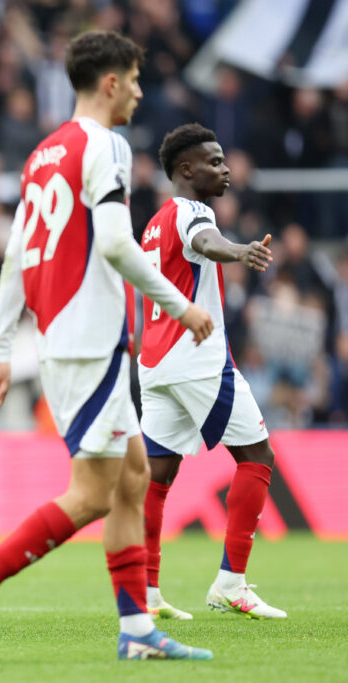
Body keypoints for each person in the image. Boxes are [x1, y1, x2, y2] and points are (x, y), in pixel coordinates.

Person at [0, 31, 216, 663]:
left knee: (133, 476)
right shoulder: (107, 144)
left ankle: (137, 631)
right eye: (135, 80)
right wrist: (179, 302)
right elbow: (115, 244)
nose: (141, 92)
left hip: (68, 337)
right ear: (110, 82)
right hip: (87, 342)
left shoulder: (43, 154)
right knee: (91, 492)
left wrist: (0, 344)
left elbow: (15, 253)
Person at [139, 123, 285, 620]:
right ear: (186, 169)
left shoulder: (155, 222)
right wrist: (241, 251)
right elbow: (207, 240)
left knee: (157, 478)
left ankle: (148, 592)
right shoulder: (192, 211)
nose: (225, 170)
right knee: (257, 455)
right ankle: (231, 582)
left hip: (155, 364)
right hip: (197, 359)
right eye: (215, 161)